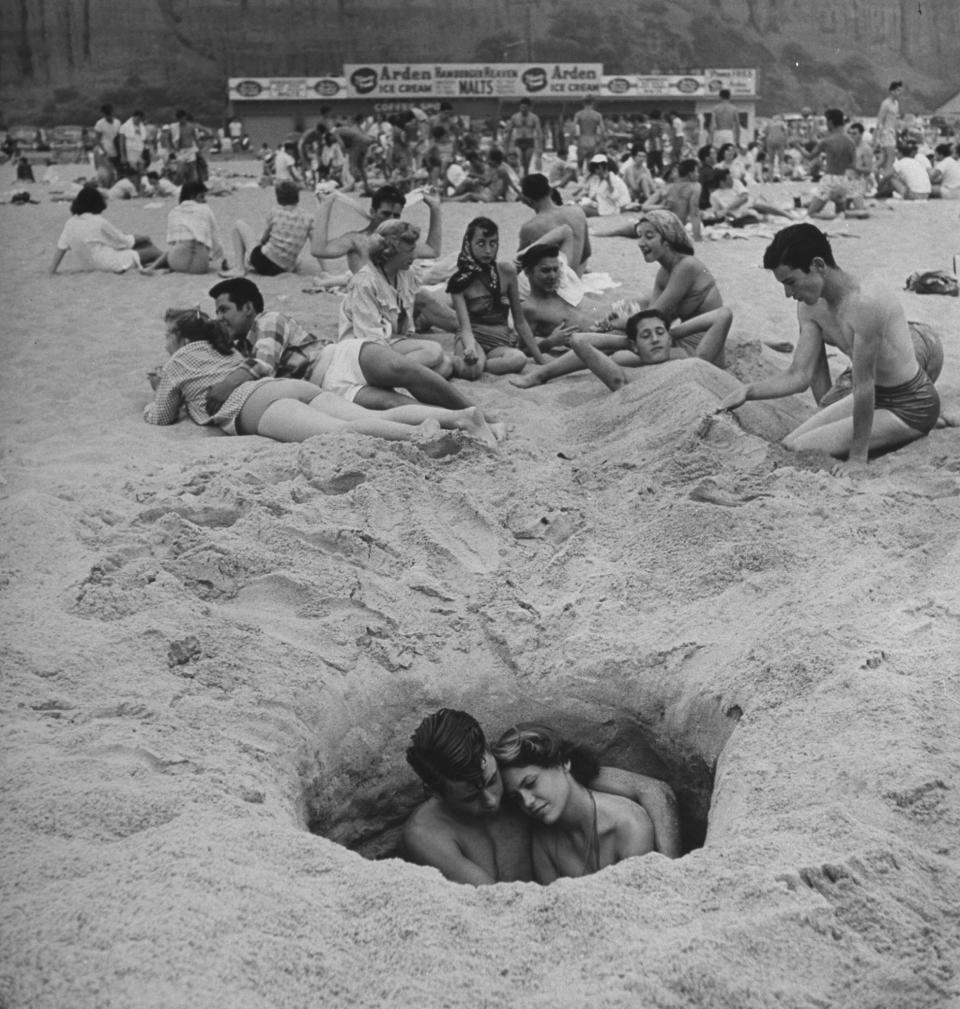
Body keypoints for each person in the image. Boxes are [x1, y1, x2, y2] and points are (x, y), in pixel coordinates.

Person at [719, 223, 941, 473]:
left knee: (803, 449)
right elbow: (799, 375)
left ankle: (927, 423)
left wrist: (857, 459)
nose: (787, 293)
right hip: (874, 397)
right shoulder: (809, 306)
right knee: (789, 444)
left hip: (911, 404)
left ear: (818, 265)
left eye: (791, 282)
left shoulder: (865, 301)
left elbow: (864, 384)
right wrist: (748, 391)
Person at [402, 709, 681, 885]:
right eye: (469, 797)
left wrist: (670, 875)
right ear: (437, 793)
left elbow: (653, 790)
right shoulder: (426, 833)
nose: (491, 801)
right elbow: (491, 903)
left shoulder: (518, 774)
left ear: (487, 752)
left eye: (491, 782)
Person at [146, 308, 494, 445]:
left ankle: (421, 436)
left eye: (167, 336)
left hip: (253, 405)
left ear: (184, 340)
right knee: (374, 416)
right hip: (286, 386)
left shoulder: (178, 361)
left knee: (339, 432)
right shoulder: (228, 351)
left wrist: (157, 390)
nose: (165, 343)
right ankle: (459, 416)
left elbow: (161, 417)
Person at [202, 277, 485, 422]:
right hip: (326, 389)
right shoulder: (240, 346)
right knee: (391, 405)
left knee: (405, 370)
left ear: (248, 307)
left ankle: (476, 412)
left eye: (224, 309)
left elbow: (263, 365)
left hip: (338, 357)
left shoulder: (267, 320)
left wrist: (227, 384)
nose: (220, 317)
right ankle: (459, 421)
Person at [511, 211, 724, 387]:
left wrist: (620, 324)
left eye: (648, 236)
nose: (640, 243)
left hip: (700, 352)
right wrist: (620, 325)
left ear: (667, 240)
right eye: (639, 236)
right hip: (673, 343)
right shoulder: (664, 273)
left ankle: (543, 374)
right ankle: (544, 374)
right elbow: (654, 317)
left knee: (615, 350)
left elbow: (653, 319)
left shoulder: (687, 267)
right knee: (618, 351)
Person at [492, 723, 656, 883]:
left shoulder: (629, 824)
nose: (527, 802)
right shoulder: (543, 840)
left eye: (530, 783)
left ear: (563, 763)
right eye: (516, 797)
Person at [337, 219, 455, 375]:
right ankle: (388, 376)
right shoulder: (365, 282)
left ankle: (398, 377)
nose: (414, 255)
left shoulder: (405, 274)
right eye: (409, 250)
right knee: (433, 350)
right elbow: (370, 339)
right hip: (365, 350)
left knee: (445, 365)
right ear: (391, 252)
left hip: (390, 341)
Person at [446, 217, 542, 378]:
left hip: (499, 342)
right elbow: (465, 328)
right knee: (472, 371)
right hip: (472, 338)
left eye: (493, 243)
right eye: (481, 243)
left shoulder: (506, 271)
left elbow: (520, 321)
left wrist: (539, 357)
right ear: (469, 244)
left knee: (518, 359)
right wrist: (469, 348)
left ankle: (479, 364)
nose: (488, 250)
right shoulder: (459, 281)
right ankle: (466, 362)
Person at [568, 307, 732, 391]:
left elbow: (723, 315)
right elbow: (579, 340)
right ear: (634, 345)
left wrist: (670, 335)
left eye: (659, 333)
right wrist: (629, 344)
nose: (654, 340)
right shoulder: (625, 378)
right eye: (646, 336)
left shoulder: (696, 362)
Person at [50, 184, 162, 274]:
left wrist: (52, 271)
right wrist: (144, 237)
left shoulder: (70, 223)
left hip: (89, 266)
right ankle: (168, 260)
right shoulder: (99, 222)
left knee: (141, 247)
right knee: (153, 251)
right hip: (111, 264)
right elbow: (122, 241)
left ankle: (156, 262)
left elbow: (61, 249)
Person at [223, 180, 315, 278]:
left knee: (239, 225)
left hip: (264, 262)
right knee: (296, 258)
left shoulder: (275, 212)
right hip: (284, 267)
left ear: (278, 198)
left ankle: (239, 268)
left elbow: (264, 239)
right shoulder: (308, 217)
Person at [141, 180, 225, 274]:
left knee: (172, 250)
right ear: (192, 196)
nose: (204, 200)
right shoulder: (205, 208)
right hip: (199, 267)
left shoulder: (174, 211)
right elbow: (215, 237)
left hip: (176, 263)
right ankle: (156, 268)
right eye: (202, 196)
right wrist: (222, 258)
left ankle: (152, 268)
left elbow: (173, 242)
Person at [518, 172, 592, 277]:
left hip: (551, 282)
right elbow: (586, 253)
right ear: (550, 191)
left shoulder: (530, 227)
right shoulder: (577, 212)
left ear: (528, 199)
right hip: (574, 280)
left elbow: (521, 264)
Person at [802, 109, 869, 219]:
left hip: (829, 179)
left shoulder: (827, 141)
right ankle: (859, 213)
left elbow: (809, 156)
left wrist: (797, 146)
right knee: (840, 211)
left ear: (831, 122)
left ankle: (835, 217)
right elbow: (852, 164)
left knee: (812, 213)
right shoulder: (850, 141)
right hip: (843, 179)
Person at [642, 158, 702, 240]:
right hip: (672, 229)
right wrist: (698, 237)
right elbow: (694, 213)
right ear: (690, 174)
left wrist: (661, 207)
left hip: (655, 224)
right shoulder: (695, 186)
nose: (698, 174)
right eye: (696, 171)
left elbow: (644, 207)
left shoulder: (667, 188)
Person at [504, 99, 543, 177]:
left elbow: (539, 133)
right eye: (521, 107)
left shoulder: (534, 117)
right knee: (520, 161)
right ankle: (520, 177)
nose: (523, 109)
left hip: (529, 141)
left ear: (529, 108)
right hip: (519, 141)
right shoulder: (515, 117)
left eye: (525, 108)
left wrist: (540, 147)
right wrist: (506, 147)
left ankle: (525, 177)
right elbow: (509, 133)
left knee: (526, 164)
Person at [876, 81, 903, 183]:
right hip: (885, 132)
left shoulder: (896, 104)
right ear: (892, 91)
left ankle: (877, 176)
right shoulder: (886, 103)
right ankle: (885, 180)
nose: (899, 93)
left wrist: (896, 134)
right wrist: (877, 137)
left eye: (900, 91)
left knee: (884, 159)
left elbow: (895, 120)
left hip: (892, 132)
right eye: (897, 90)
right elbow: (880, 121)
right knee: (890, 157)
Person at [573, 98, 606, 174]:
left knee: (580, 162)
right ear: (592, 104)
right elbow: (603, 129)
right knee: (590, 160)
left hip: (582, 140)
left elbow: (573, 128)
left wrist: (574, 139)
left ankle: (580, 175)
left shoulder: (578, 114)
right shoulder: (598, 115)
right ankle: (589, 176)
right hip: (593, 140)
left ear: (583, 104)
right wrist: (600, 140)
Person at [118, 109, 149, 177]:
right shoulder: (125, 126)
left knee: (142, 171)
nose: (139, 121)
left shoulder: (142, 127)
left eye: (140, 119)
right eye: (138, 119)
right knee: (133, 171)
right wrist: (123, 156)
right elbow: (121, 142)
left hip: (140, 152)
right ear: (134, 117)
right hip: (130, 152)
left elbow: (144, 140)